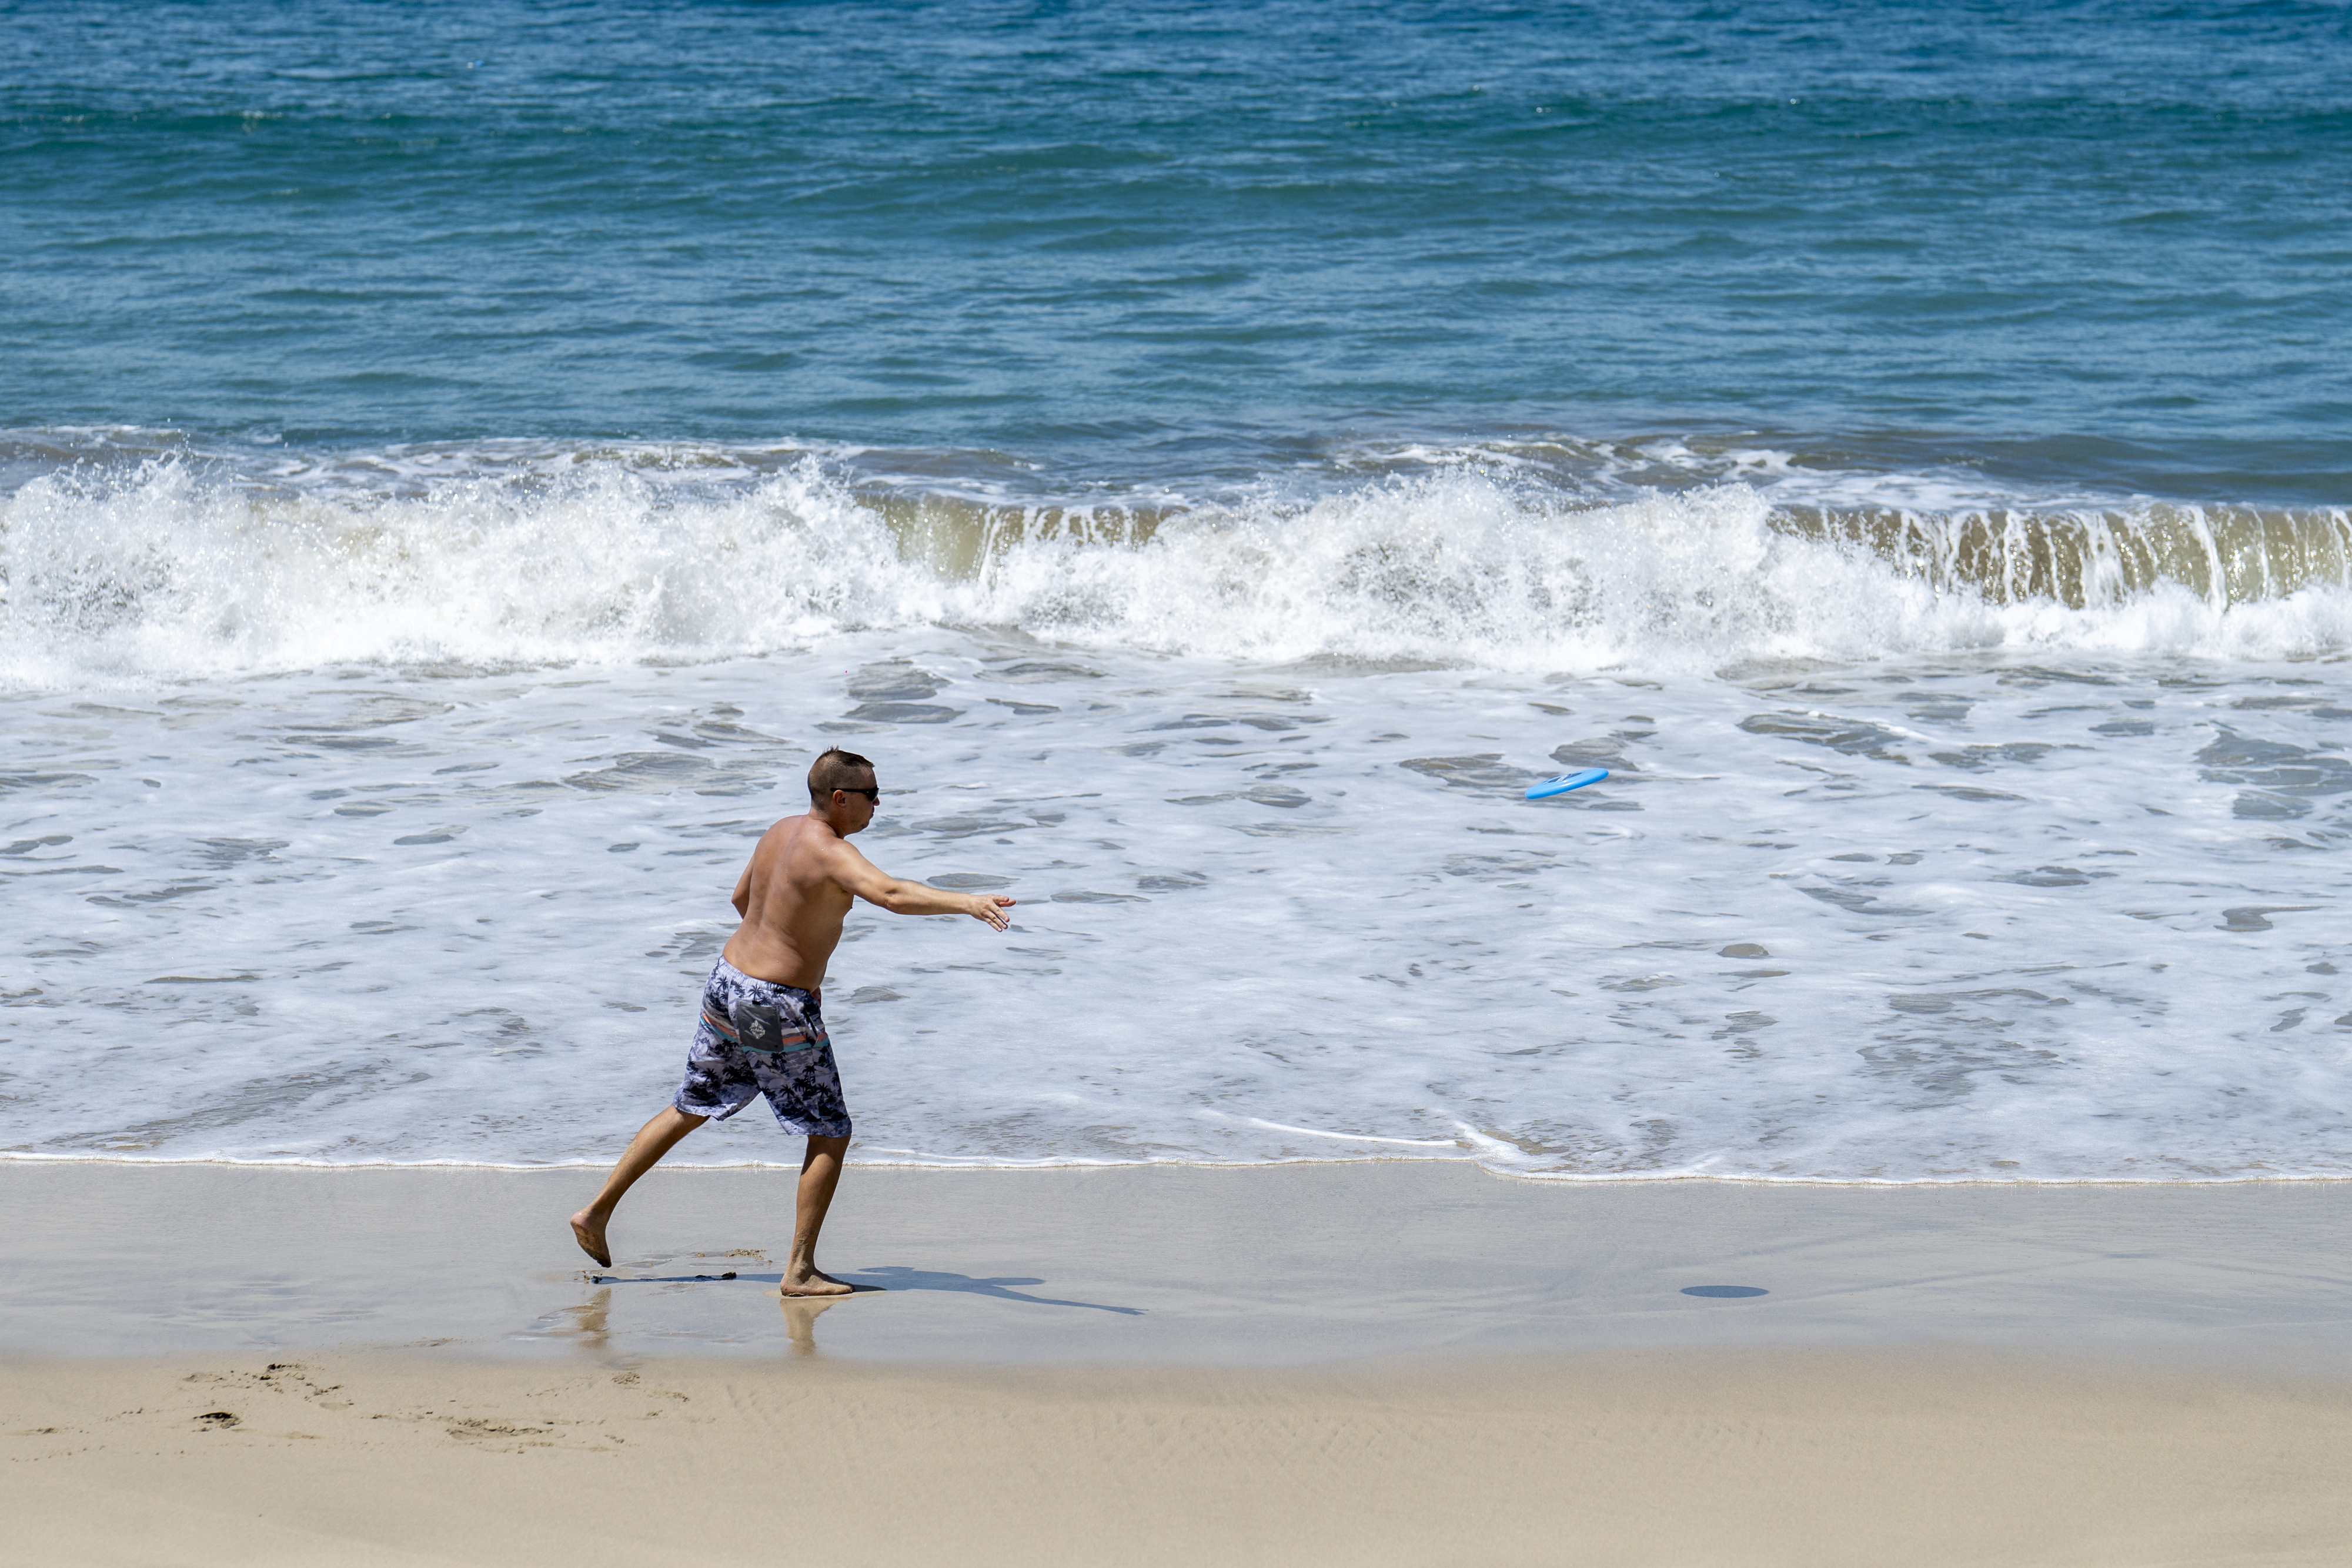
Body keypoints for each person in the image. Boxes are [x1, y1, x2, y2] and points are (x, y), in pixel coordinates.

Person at [568, 747, 1014, 1296]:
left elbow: (741, 897)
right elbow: (892, 894)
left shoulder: (779, 831)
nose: (879, 805)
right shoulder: (831, 852)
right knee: (830, 1130)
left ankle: (595, 1211)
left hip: (728, 983)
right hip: (771, 1004)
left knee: (691, 1105)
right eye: (873, 795)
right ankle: (800, 1269)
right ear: (840, 797)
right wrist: (967, 902)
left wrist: (781, 953)